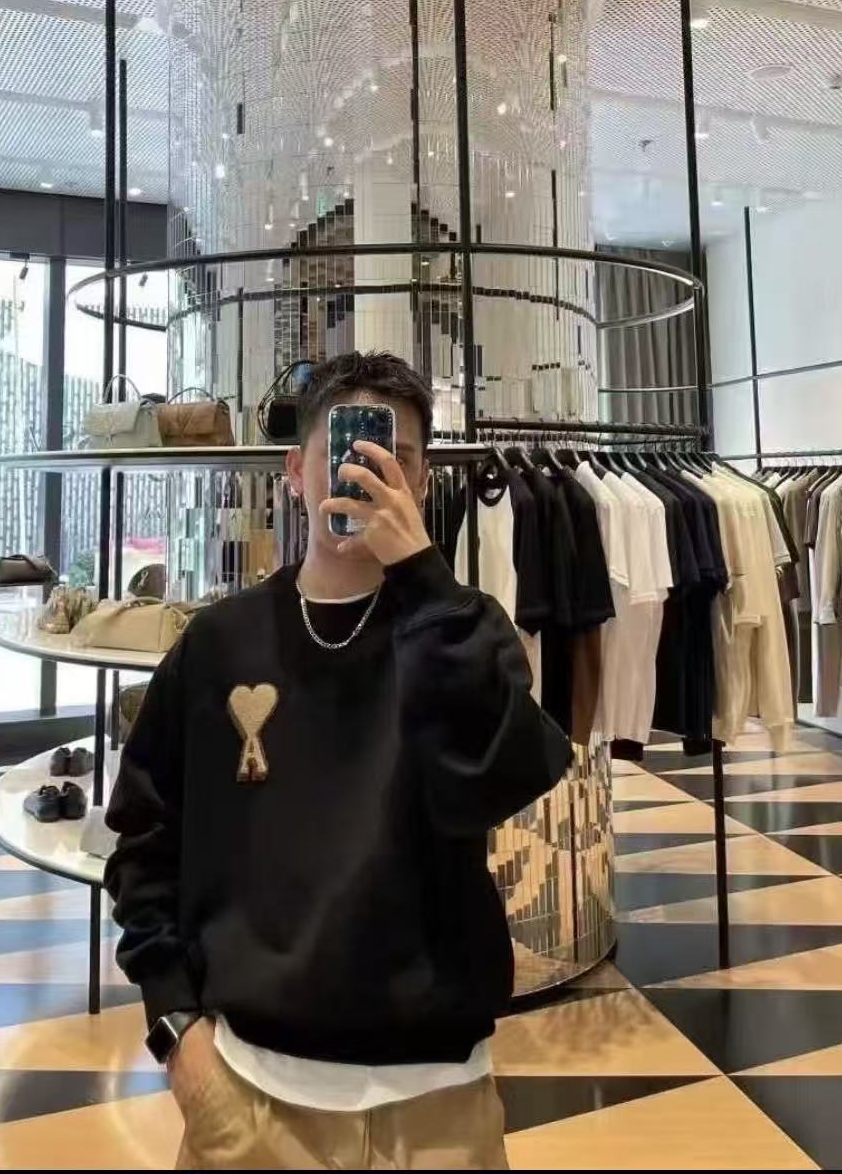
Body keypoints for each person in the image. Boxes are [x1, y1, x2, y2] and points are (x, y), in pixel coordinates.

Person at [105, 350, 571, 1171]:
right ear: (295, 472)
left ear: (420, 481)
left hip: (439, 1101)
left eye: (396, 457)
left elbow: (505, 777)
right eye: (344, 451)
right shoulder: (219, 644)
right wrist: (177, 1032)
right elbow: (145, 841)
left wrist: (423, 578)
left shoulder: (459, 628)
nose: (365, 474)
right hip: (245, 1093)